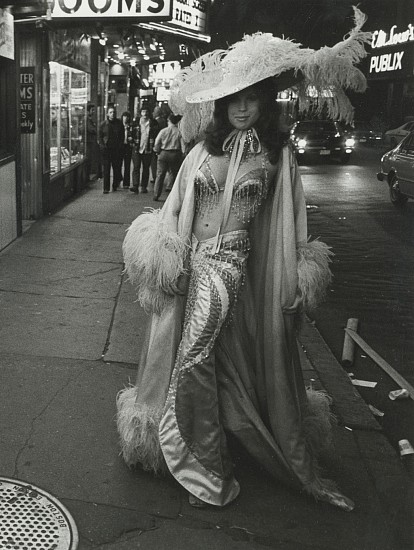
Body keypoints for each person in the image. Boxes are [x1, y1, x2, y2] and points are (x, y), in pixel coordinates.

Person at [116, 8, 370, 512]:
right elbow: (174, 208)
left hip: (232, 272)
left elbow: (290, 220)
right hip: (193, 266)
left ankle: (206, 469)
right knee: (214, 363)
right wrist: (163, 256)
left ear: (264, 103)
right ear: (222, 103)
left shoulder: (277, 158)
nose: (243, 108)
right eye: (235, 99)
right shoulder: (200, 153)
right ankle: (213, 450)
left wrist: (296, 274)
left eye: (252, 99)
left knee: (196, 359)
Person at [151, 114, 184, 201]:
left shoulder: (163, 131)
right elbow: (183, 146)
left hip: (163, 153)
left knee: (160, 174)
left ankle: (156, 194)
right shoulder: (179, 132)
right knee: (174, 174)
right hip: (175, 154)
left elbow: (157, 142)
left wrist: (157, 151)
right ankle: (172, 194)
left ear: (168, 121)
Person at [129, 107, 158, 193]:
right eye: (143, 112)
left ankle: (144, 186)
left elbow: (156, 134)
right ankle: (135, 185)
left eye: (146, 112)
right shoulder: (136, 123)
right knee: (136, 167)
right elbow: (131, 133)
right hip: (137, 148)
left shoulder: (153, 123)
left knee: (146, 168)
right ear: (140, 113)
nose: (144, 114)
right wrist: (132, 142)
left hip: (148, 148)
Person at [98, 106, 125, 193]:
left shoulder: (119, 124)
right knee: (106, 169)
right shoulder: (103, 124)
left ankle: (115, 184)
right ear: (107, 114)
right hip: (106, 150)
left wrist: (120, 146)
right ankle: (106, 188)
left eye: (113, 112)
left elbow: (122, 136)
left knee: (116, 168)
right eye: (110, 112)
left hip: (116, 149)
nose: (112, 114)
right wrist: (102, 146)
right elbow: (100, 137)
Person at [120, 111, 134, 191]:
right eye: (125, 116)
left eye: (127, 117)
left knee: (127, 165)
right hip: (120, 147)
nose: (126, 118)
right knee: (118, 164)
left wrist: (131, 139)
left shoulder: (131, 126)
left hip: (128, 147)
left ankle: (126, 183)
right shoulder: (119, 126)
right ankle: (118, 179)